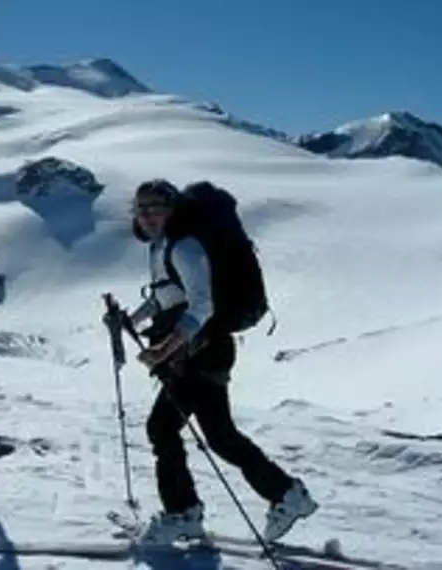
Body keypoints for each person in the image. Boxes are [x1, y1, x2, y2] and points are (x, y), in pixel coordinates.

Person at [123, 178, 318, 545]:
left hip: (199, 351)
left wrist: (167, 347)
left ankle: (183, 513)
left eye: (155, 207)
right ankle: (287, 494)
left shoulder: (185, 247)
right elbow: (168, 296)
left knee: (162, 428)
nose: (146, 216)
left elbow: (201, 304)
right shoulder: (164, 246)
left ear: (173, 209)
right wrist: (131, 319)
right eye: (140, 208)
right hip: (202, 349)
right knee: (219, 434)